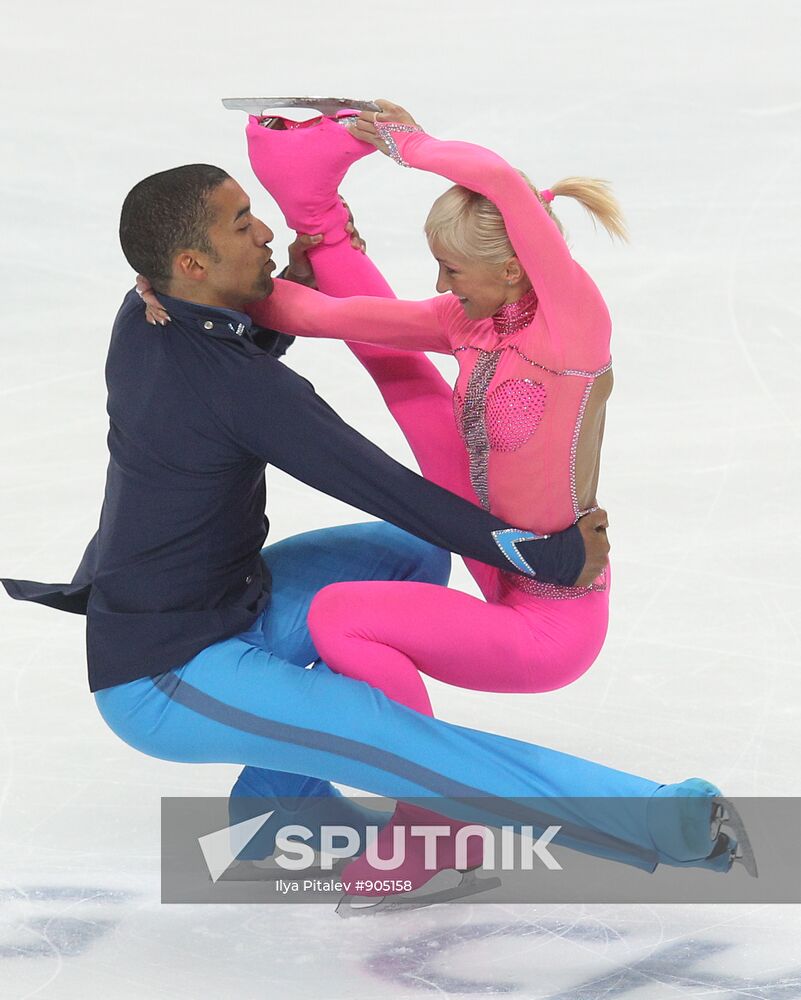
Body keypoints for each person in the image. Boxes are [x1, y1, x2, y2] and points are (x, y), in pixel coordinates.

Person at [77, 161, 753, 889]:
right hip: (166, 670)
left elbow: (218, 379)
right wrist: (540, 558)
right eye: (243, 225)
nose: (266, 232)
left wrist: (284, 283)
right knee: (388, 737)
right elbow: (387, 486)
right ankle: (652, 818)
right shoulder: (242, 389)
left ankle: (280, 807)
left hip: (229, 601)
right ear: (190, 263)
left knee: (400, 559)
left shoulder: (148, 307)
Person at [204, 99, 628, 891]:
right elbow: (331, 315)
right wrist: (200, 298)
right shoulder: (475, 322)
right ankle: (318, 213)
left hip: (549, 609)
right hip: (487, 541)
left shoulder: (570, 325)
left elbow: (498, 180)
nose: (441, 285)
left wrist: (404, 142)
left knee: (339, 613)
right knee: (400, 374)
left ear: (512, 268)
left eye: (452, 270)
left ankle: (432, 818)